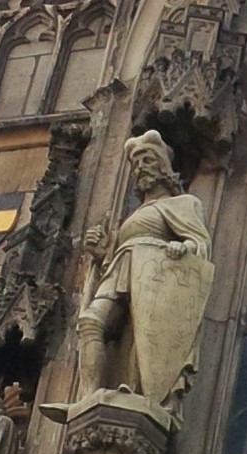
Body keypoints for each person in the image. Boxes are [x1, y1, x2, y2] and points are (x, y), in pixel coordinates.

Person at [71, 131, 215, 423]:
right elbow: (112, 254)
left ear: (163, 166)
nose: (140, 168)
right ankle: (88, 397)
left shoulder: (183, 205)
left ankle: (140, 394)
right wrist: (100, 252)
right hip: (122, 268)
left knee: (143, 335)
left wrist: (184, 247)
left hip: (152, 278)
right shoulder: (135, 215)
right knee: (90, 322)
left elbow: (200, 244)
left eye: (147, 161)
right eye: (136, 163)